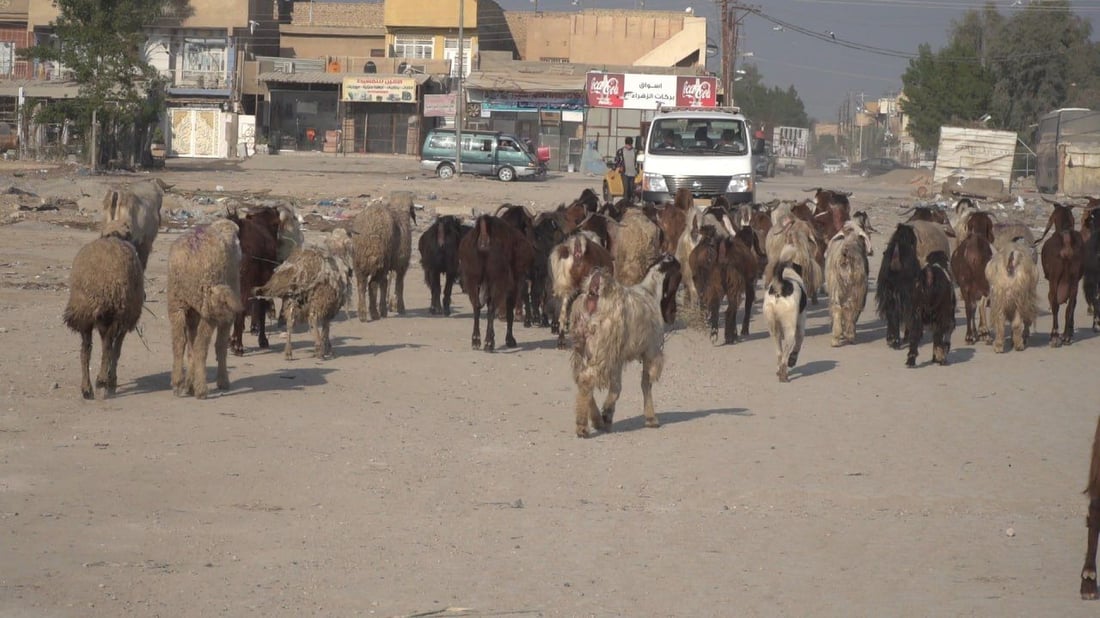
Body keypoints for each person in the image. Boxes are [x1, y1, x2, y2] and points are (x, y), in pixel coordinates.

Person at [613, 136, 638, 203]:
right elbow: (616, 161)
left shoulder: (635, 151)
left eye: (630, 145)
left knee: (631, 188)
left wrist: (637, 170)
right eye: (628, 145)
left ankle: (631, 201)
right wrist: (619, 167)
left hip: (633, 173)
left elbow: (638, 162)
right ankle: (626, 202)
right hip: (624, 173)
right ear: (625, 144)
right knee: (626, 188)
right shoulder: (620, 151)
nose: (629, 147)